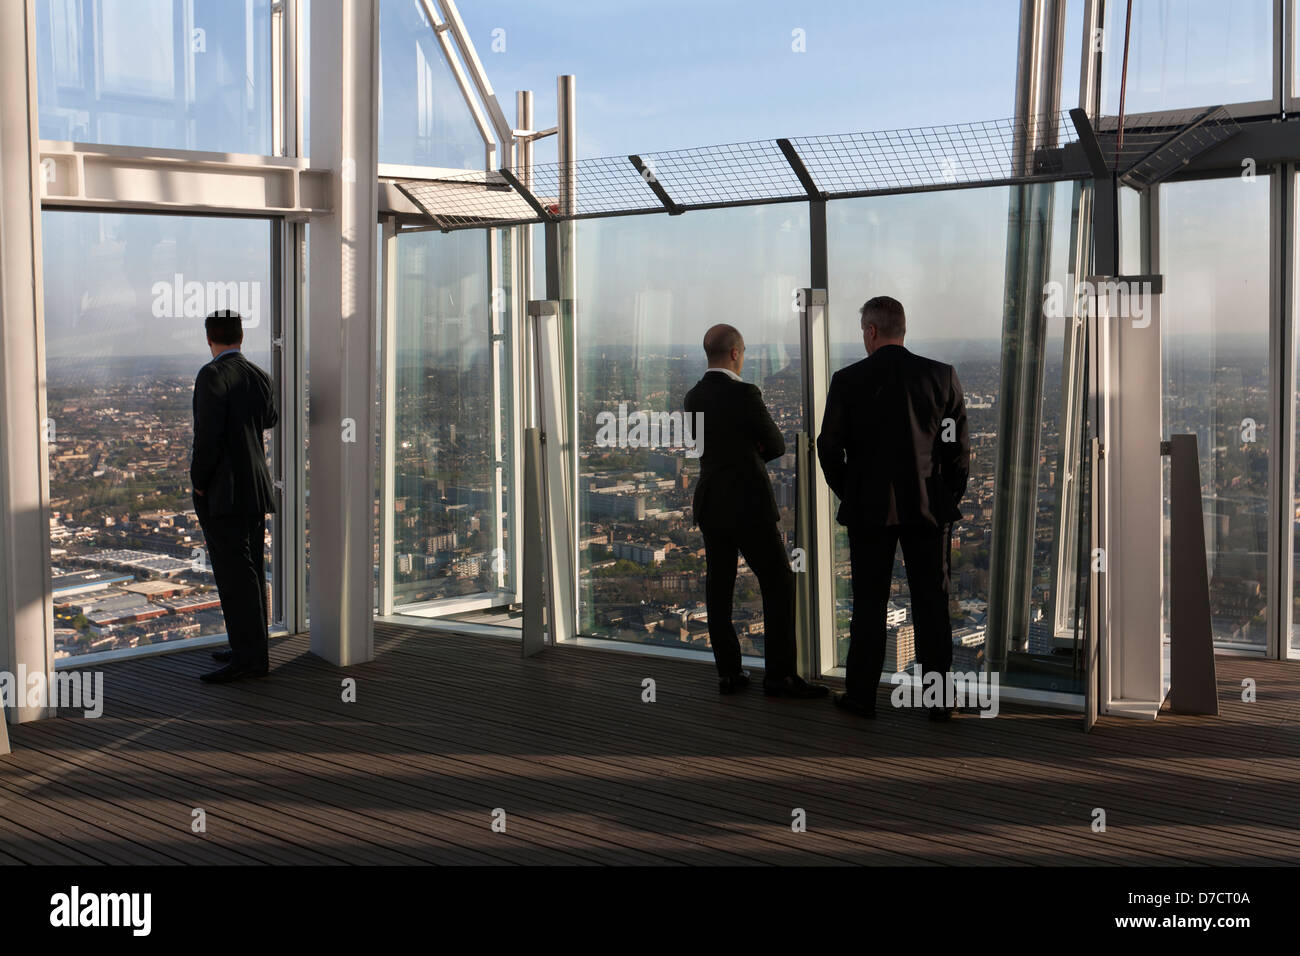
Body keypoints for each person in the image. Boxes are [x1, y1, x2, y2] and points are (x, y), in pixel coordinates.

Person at [817, 296, 969, 720]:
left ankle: (862, 696)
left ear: (870, 331)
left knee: (868, 605)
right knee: (932, 604)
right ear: (902, 328)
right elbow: (958, 450)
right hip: (928, 510)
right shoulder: (941, 376)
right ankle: (938, 702)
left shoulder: (847, 381)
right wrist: (945, 497)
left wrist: (851, 491)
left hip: (869, 511)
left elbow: (828, 447)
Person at [684, 324, 828, 699]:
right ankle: (779, 676)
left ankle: (729, 673)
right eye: (744, 352)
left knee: (719, 587)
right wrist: (751, 455)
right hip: (748, 503)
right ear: (735, 353)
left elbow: (703, 447)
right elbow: (778, 445)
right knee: (778, 583)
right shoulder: (745, 393)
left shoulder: (693, 396)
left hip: (712, 502)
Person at [191, 310, 279, 683]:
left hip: (224, 492)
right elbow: (270, 419)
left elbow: (207, 438)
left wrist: (199, 481)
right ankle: (249, 647)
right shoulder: (259, 375)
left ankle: (249, 659)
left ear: (210, 339)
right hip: (256, 487)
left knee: (233, 574)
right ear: (241, 337)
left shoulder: (211, 375)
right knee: (252, 572)